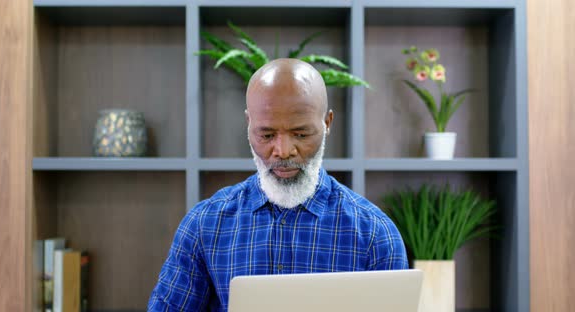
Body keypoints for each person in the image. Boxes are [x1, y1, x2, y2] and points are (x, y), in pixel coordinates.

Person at [147, 58, 408, 311]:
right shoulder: (204, 225)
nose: (283, 151)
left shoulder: (375, 234)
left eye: (301, 134)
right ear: (249, 125)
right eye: (267, 135)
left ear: (327, 123)